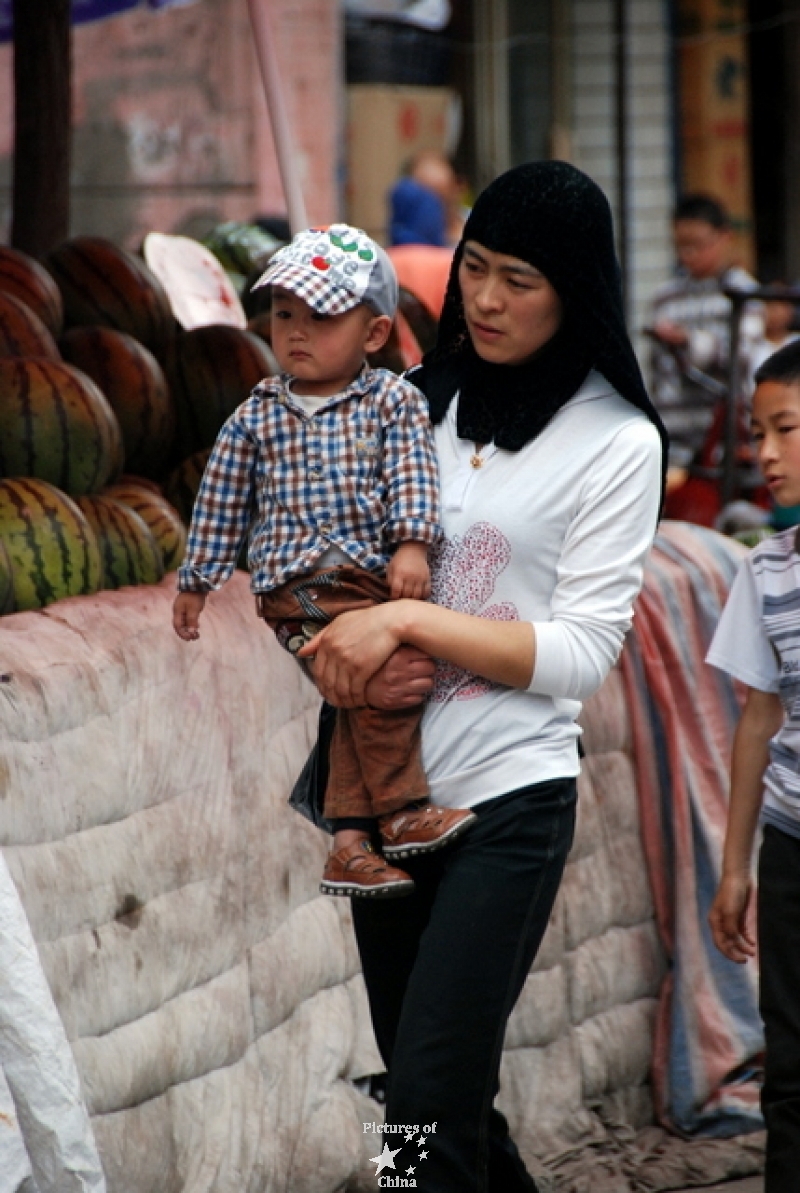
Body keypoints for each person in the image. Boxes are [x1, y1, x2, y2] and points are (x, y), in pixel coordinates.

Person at [295, 162, 667, 1193]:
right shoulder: (411, 403)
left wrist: (409, 617)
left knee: (417, 1106)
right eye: (476, 270)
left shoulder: (617, 442)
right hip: (380, 795)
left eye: (521, 280)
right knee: (443, 1093)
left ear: (577, 290)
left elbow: (581, 653)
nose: (488, 300)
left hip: (505, 799)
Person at [172, 223, 476, 900]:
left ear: (374, 335)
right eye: (284, 314)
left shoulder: (392, 403)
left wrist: (411, 543)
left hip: (369, 578)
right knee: (382, 681)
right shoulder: (257, 415)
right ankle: (399, 814)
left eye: (321, 316)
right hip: (296, 587)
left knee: (357, 693)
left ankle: (347, 843)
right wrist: (197, 579)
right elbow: (220, 500)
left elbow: (413, 475)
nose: (296, 331)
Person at [707, 338, 800, 1193]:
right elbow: (756, 720)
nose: (763, 454)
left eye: (784, 429)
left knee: (428, 1069)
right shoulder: (766, 570)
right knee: (793, 1068)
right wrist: (736, 866)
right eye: (756, 432)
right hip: (792, 845)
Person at [646, 193, 763, 511]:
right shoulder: (664, 298)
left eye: (697, 244)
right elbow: (658, 375)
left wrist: (689, 342)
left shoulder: (743, 292)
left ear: (725, 237)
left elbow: (742, 357)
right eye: (680, 246)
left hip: (724, 442)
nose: (688, 255)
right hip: (676, 437)